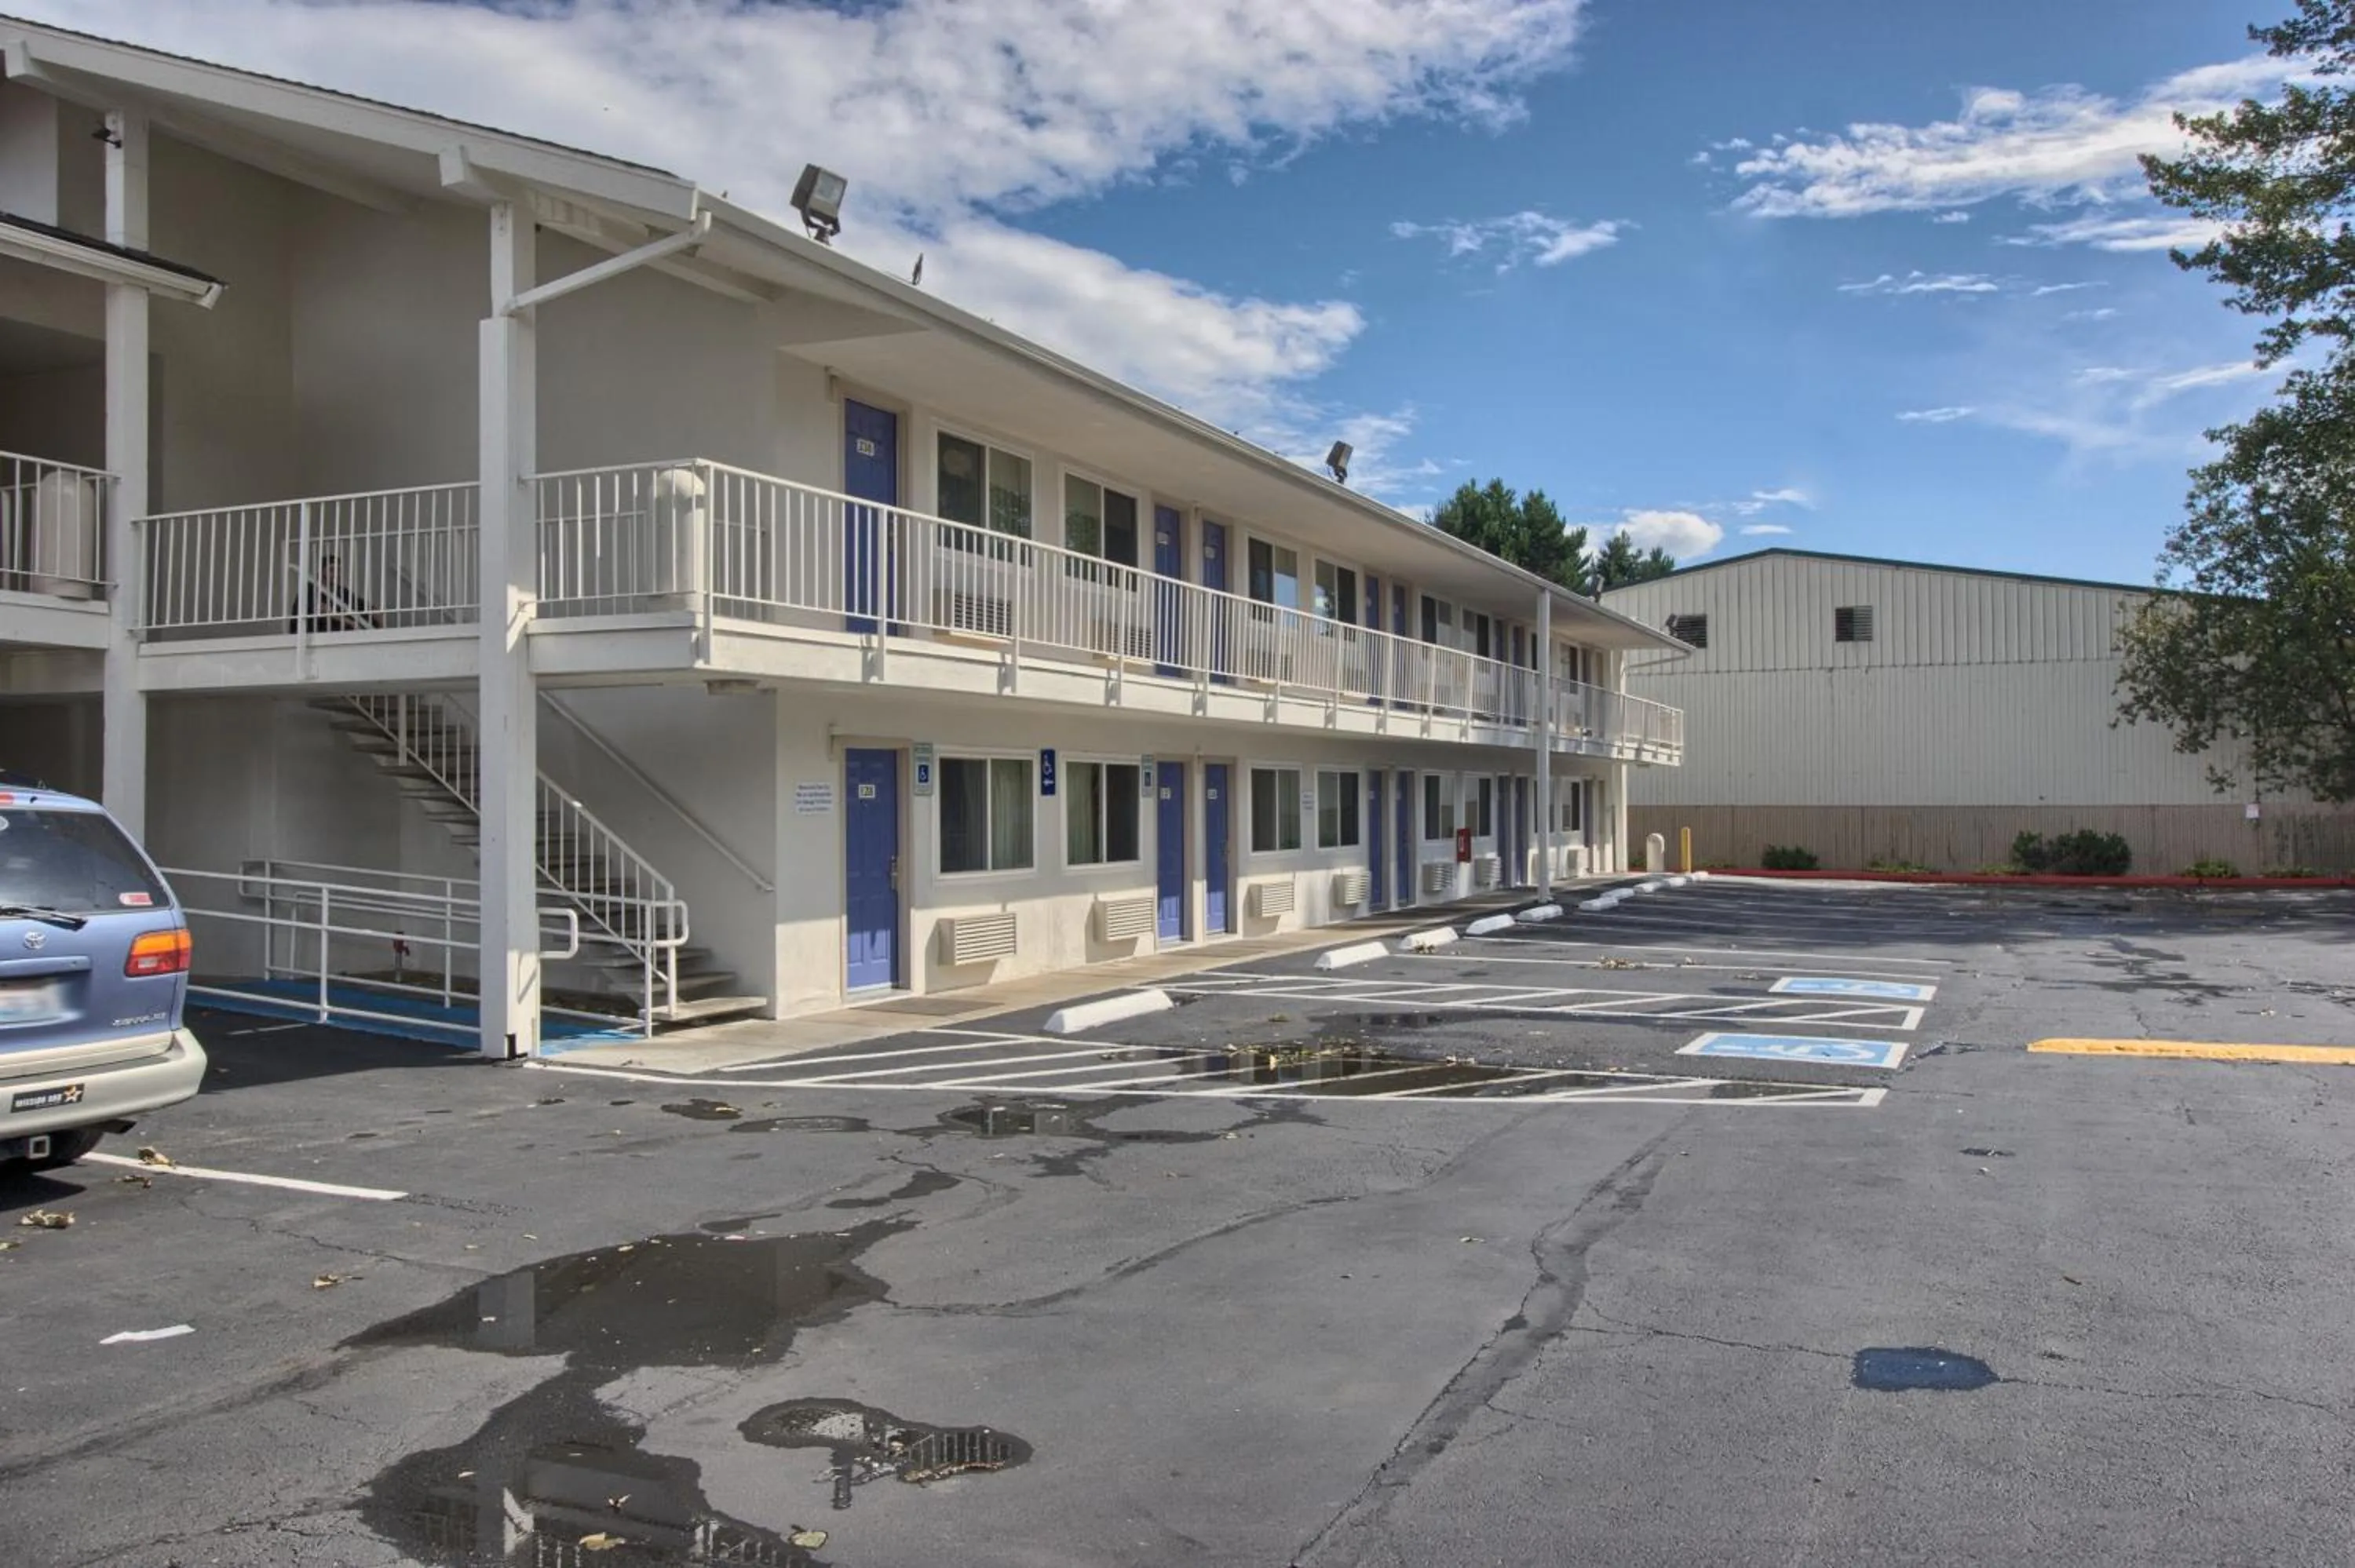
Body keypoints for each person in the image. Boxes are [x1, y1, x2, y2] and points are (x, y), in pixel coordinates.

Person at [289, 554, 378, 633]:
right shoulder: (310, 589)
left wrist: (378, 620)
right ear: (322, 572)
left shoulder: (340, 591)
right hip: (312, 632)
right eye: (331, 570)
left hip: (339, 631)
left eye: (338, 570)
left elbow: (365, 606)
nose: (336, 574)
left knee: (370, 616)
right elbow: (324, 610)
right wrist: (353, 624)